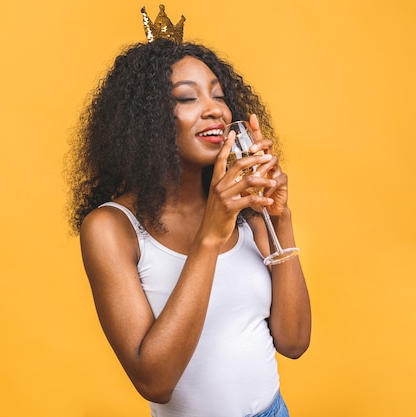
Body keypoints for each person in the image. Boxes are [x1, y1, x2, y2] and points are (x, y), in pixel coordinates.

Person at [67, 5, 311, 417]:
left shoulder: (248, 211)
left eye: (219, 95)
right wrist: (211, 236)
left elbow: (294, 342)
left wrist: (280, 220)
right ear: (146, 121)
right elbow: (155, 381)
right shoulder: (112, 228)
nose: (215, 109)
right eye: (186, 98)